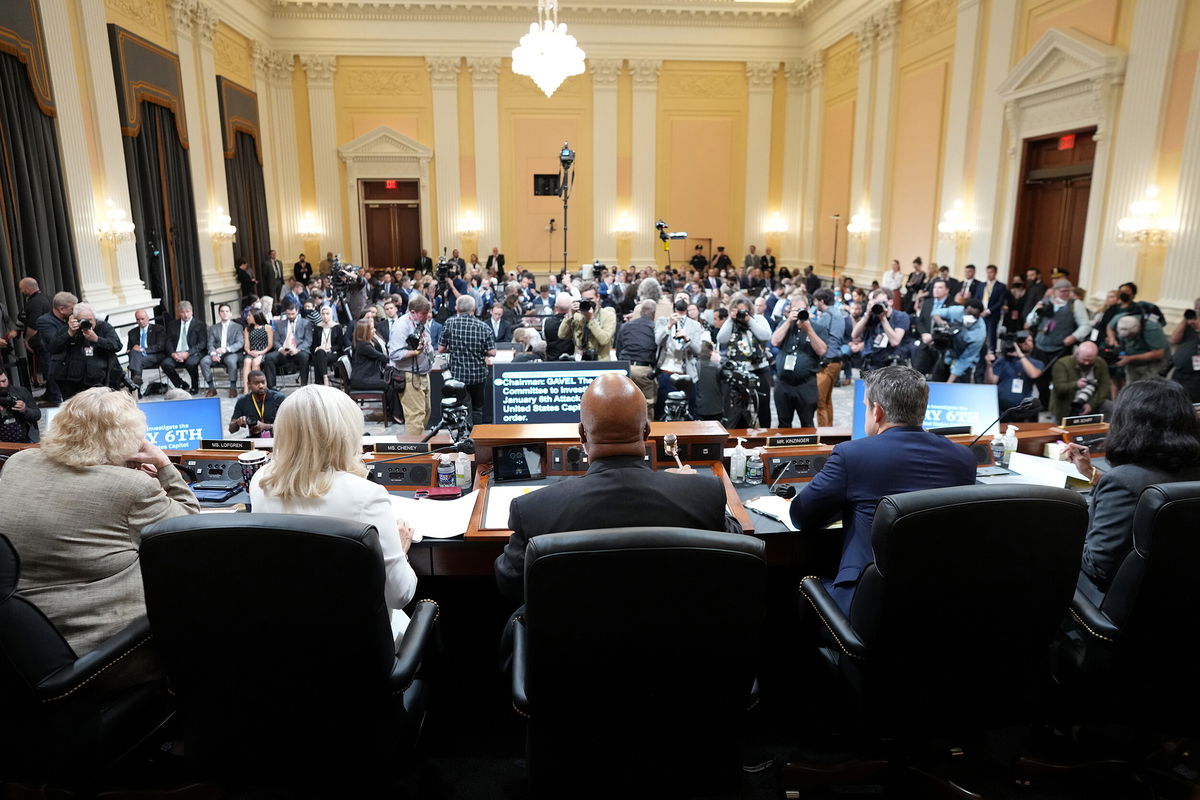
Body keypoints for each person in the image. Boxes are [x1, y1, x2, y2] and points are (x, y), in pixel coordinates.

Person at [494, 374, 741, 603]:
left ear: (581, 434)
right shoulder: (703, 494)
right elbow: (738, 554)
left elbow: (509, 582)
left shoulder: (533, 510)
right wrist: (689, 485)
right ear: (646, 431)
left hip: (569, 645)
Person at [0, 388, 199, 654]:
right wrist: (164, 465)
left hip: (19, 640)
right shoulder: (132, 487)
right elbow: (189, 527)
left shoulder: (19, 462)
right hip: (99, 646)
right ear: (127, 438)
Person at [790, 366, 977, 614]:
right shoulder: (964, 458)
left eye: (866, 406)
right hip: (937, 603)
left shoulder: (852, 455)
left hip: (868, 607)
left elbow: (802, 517)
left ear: (876, 411)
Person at [250, 385, 418, 642]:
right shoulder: (367, 495)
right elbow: (400, 594)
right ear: (344, 434)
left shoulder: (260, 482)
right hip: (360, 647)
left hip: (287, 638)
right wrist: (402, 548)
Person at [1065, 380, 1200, 605]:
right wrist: (1092, 474)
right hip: (1179, 596)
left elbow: (1096, 566)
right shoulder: (1191, 471)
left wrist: (1062, 536)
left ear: (1127, 422)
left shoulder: (1123, 480)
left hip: (1115, 602)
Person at [439, 294, 496, 427]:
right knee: (478, 409)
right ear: (474, 308)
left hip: (458, 377)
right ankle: (477, 436)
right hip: (478, 375)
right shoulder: (484, 327)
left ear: (456, 308)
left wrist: (454, 348)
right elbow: (492, 352)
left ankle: (465, 437)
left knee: (463, 408)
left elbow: (441, 349)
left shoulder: (449, 323)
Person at [770, 296, 827, 427]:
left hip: (806, 384)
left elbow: (822, 351)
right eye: (795, 309)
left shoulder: (818, 328)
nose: (799, 312)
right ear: (790, 310)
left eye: (802, 309)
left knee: (807, 423)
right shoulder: (784, 325)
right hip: (783, 383)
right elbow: (774, 341)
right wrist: (788, 321)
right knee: (783, 424)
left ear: (808, 309)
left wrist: (808, 329)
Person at [47, 302, 123, 399]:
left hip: (101, 380)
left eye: (90, 320)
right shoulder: (69, 329)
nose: (87, 323)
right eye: (82, 320)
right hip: (74, 381)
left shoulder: (104, 327)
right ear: (75, 319)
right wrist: (69, 333)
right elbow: (53, 348)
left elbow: (117, 346)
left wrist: (97, 339)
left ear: (95, 318)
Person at [389, 295, 435, 435]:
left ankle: (418, 442)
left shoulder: (420, 322)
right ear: (413, 312)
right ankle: (415, 451)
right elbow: (395, 354)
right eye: (423, 314)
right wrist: (415, 352)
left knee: (426, 411)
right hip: (409, 375)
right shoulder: (401, 325)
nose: (426, 317)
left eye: (428, 314)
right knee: (416, 416)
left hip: (423, 373)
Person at [655, 298, 704, 419]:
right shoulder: (662, 321)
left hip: (687, 374)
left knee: (688, 411)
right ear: (673, 307)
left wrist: (687, 339)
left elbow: (698, 350)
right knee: (664, 410)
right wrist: (669, 326)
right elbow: (658, 341)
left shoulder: (695, 325)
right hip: (667, 372)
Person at [984, 330, 1043, 419]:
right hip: (1000, 409)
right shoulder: (1003, 360)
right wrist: (989, 365)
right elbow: (991, 382)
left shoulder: (1036, 363)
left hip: (1023, 411)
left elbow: (1033, 374)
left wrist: (1020, 354)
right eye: (1025, 340)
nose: (1028, 343)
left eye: (1030, 340)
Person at [1049, 341, 1112, 422]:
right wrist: (1076, 385)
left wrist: (1091, 405)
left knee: (1109, 406)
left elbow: (1105, 386)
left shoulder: (1101, 363)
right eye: (1084, 359)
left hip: (1091, 400)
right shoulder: (1062, 364)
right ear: (1077, 354)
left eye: (1090, 360)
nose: (1087, 363)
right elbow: (1059, 388)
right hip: (1066, 405)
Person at [809, 289, 845, 426]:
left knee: (820, 402)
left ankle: (824, 434)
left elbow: (816, 334)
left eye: (815, 301)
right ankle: (830, 431)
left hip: (828, 361)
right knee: (827, 400)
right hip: (837, 360)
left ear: (821, 301)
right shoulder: (838, 313)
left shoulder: (826, 315)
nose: (814, 304)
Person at [616, 299, 659, 413]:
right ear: (654, 313)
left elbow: (618, 350)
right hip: (644, 370)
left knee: (625, 402)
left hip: (625, 368)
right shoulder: (654, 328)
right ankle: (648, 429)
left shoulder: (626, 326)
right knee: (647, 404)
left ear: (640, 312)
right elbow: (658, 351)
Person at [851, 289, 911, 373]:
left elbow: (895, 341)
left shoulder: (901, 316)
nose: (879, 305)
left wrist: (883, 319)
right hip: (871, 362)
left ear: (890, 302)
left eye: (882, 302)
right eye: (877, 302)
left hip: (891, 364)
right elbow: (854, 334)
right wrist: (867, 314)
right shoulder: (872, 316)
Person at [34, 291, 77, 405]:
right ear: (61, 309)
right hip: (57, 365)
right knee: (61, 400)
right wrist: (70, 331)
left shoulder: (72, 318)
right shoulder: (45, 321)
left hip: (74, 364)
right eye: (72, 309)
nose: (74, 312)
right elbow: (54, 343)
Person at [559, 281, 616, 361]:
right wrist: (570, 315)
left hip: (601, 362)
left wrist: (591, 319)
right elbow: (561, 335)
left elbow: (604, 340)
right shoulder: (578, 316)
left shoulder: (608, 315)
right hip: (580, 363)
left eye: (591, 299)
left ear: (598, 297)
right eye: (585, 300)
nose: (588, 302)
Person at [934, 299, 987, 383]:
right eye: (968, 313)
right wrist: (941, 322)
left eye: (974, 315)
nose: (970, 317)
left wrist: (949, 382)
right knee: (937, 378)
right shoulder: (956, 310)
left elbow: (965, 359)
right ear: (964, 309)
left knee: (959, 384)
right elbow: (935, 313)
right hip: (947, 353)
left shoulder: (980, 333)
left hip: (964, 360)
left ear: (980, 315)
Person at [161, 301, 207, 394]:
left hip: (192, 353)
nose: (185, 315)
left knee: (191, 363)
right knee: (165, 364)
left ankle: (195, 386)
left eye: (188, 311)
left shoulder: (199, 324)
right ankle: (181, 384)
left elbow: (202, 343)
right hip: (177, 353)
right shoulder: (173, 325)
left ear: (192, 312)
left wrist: (188, 353)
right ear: (179, 313)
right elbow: (168, 342)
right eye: (183, 312)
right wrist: (173, 354)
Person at [200, 303, 244, 398]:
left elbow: (239, 343)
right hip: (216, 353)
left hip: (231, 352)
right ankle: (211, 388)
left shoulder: (237, 327)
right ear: (219, 314)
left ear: (231, 313)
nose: (225, 313)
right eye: (222, 311)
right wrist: (213, 354)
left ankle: (233, 388)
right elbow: (210, 343)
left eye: (227, 311)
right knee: (204, 361)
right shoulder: (213, 328)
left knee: (231, 361)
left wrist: (226, 349)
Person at [264, 304, 312, 388]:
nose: (291, 316)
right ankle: (272, 387)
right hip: (284, 351)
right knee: (269, 357)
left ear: (297, 311)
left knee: (304, 357)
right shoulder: (279, 324)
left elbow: (308, 340)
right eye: (288, 314)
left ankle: (304, 385)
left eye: (293, 314)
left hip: (299, 350)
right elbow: (275, 341)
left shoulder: (305, 323)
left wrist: (298, 349)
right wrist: (280, 349)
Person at [1113, 313, 1170, 385]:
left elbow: (1158, 353)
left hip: (1151, 365)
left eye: (1130, 335)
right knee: (1131, 388)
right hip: (1131, 365)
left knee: (1146, 387)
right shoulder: (1121, 320)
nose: (1128, 338)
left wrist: (1130, 358)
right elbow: (1110, 328)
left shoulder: (1152, 328)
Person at [229, 370, 285, 438]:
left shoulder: (278, 398)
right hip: (255, 440)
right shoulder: (243, 401)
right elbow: (231, 430)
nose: (261, 386)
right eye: (257, 383)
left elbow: (288, 426)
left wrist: (266, 426)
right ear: (248, 384)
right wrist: (237, 422)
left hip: (277, 439)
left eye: (263, 382)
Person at [1168, 299, 1200, 401]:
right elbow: (1173, 339)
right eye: (1197, 309)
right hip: (1179, 373)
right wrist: (1185, 320)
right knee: (1173, 400)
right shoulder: (1190, 324)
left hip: (1196, 377)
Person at [125, 308, 166, 387]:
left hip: (154, 355)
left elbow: (160, 346)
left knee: (135, 361)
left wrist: (142, 349)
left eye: (142, 319)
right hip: (138, 357)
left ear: (148, 318)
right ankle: (137, 380)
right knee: (135, 355)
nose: (140, 321)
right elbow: (129, 348)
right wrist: (130, 350)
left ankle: (136, 388)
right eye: (138, 319)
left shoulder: (158, 329)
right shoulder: (132, 332)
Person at [310, 305, 346, 386]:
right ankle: (325, 377)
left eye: (327, 313)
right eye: (323, 314)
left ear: (331, 314)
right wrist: (318, 348)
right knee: (320, 353)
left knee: (318, 357)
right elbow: (314, 344)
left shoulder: (337, 327)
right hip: (320, 352)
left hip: (333, 353)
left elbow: (340, 345)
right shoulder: (318, 327)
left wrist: (329, 349)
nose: (325, 316)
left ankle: (320, 382)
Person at [0, 370, 40, 442]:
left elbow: (37, 414)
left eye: (4, 381)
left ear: (8, 379)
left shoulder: (21, 392)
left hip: (25, 437)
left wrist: (25, 409)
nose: (2, 385)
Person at [241, 310, 274, 391]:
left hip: (264, 352)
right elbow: (246, 345)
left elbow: (270, 345)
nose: (247, 317)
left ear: (255, 316)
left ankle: (257, 389)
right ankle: (246, 390)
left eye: (249, 315)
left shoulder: (267, 327)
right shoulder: (247, 329)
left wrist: (260, 352)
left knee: (255, 362)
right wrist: (249, 351)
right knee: (247, 361)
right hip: (252, 352)